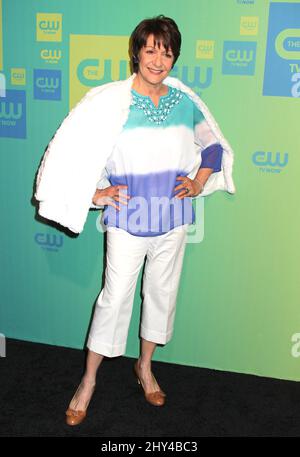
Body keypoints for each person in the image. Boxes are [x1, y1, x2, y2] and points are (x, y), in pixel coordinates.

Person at [34, 15, 235, 426]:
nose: (158, 60)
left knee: (161, 294)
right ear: (137, 52)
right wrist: (96, 193)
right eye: (151, 49)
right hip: (127, 221)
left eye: (167, 51)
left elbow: (212, 147)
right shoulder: (112, 102)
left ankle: (145, 368)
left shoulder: (184, 103)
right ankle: (88, 381)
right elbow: (73, 152)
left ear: (174, 57)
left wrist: (197, 182)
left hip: (174, 220)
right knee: (114, 298)